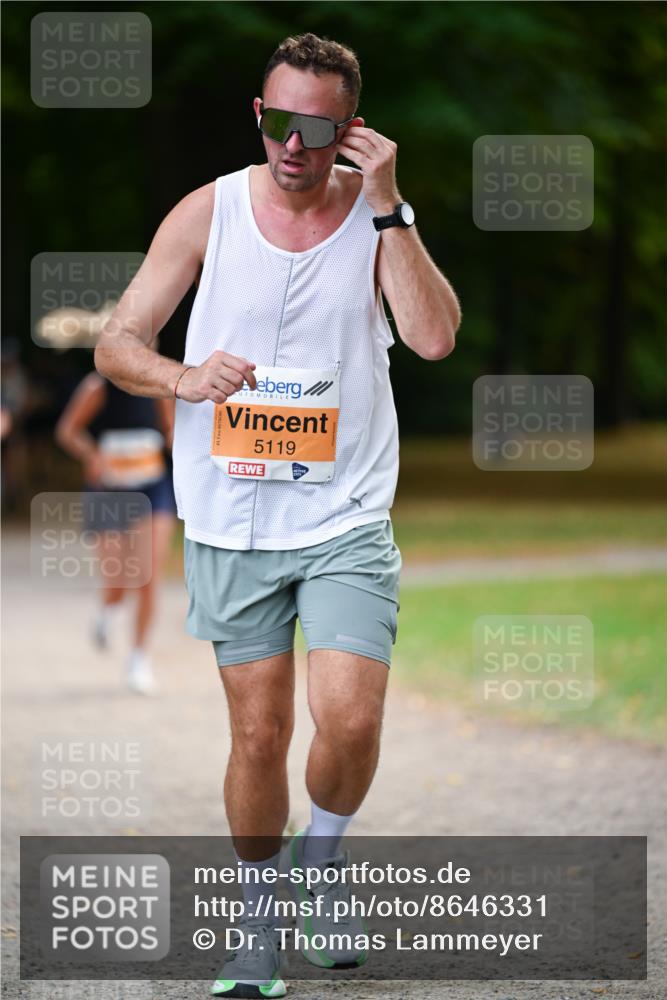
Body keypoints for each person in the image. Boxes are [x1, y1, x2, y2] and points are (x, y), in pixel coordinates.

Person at [95, 32, 460, 997]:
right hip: (231, 518)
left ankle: (321, 868)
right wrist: (182, 375)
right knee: (257, 737)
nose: (293, 147)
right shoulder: (208, 211)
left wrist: (388, 209)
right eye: (276, 123)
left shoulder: (378, 221)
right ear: (259, 117)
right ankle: (256, 923)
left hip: (343, 513)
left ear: (350, 129)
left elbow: (430, 338)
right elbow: (117, 342)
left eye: (316, 127)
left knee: (349, 718)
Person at [55, 342, 176, 694]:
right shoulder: (97, 386)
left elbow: (170, 433)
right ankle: (108, 610)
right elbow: (67, 431)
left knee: (148, 575)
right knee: (118, 577)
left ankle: (139, 658)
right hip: (109, 492)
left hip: (152, 489)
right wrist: (91, 454)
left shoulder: (157, 389)